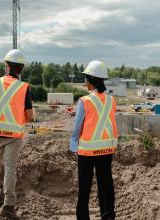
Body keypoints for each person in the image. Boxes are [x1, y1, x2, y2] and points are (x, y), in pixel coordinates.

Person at [0, 49, 34, 218]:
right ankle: (8, 205)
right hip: (14, 136)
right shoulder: (24, 87)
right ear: (21, 69)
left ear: (7, 66)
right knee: (10, 167)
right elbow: (29, 116)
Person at [70, 60, 118, 220]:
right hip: (106, 150)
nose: (85, 82)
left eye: (85, 79)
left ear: (90, 80)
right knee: (106, 186)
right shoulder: (111, 100)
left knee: (84, 189)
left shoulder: (85, 101)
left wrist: (73, 146)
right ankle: (108, 216)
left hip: (87, 152)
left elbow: (77, 128)